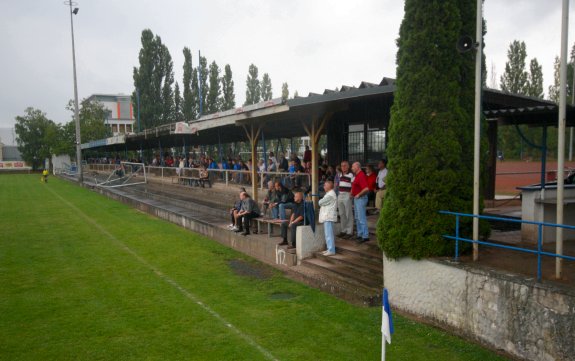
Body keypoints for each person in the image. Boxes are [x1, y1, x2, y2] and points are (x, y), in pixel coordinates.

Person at [351, 162, 370, 243]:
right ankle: (360, 234)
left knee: (361, 218)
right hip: (357, 199)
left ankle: (365, 236)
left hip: (361, 199)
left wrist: (358, 194)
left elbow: (366, 189)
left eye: (353, 166)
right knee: (357, 218)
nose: (352, 168)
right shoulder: (357, 175)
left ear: (358, 167)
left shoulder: (361, 175)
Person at [318, 180, 337, 256]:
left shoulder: (330, 194)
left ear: (329, 186)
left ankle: (331, 250)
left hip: (329, 217)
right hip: (327, 217)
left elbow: (320, 202)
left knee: (329, 234)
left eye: (325, 185)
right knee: (327, 234)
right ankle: (329, 249)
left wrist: (320, 201)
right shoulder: (329, 193)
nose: (324, 186)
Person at [337, 161, 354, 238]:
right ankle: (343, 230)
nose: (343, 167)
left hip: (347, 195)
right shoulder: (340, 174)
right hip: (340, 195)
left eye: (345, 166)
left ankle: (349, 232)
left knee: (348, 213)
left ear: (348, 166)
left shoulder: (351, 175)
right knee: (341, 213)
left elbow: (353, 185)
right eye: (342, 166)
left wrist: (351, 193)